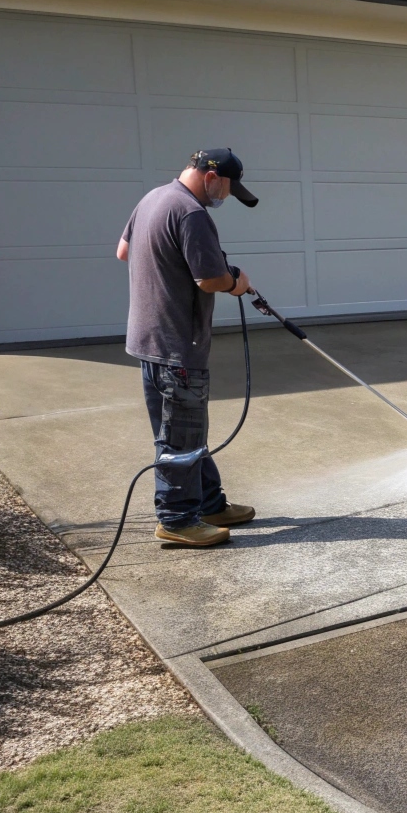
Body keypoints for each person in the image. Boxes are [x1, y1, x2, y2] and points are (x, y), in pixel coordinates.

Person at [116, 149, 258, 547]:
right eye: (228, 188)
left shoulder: (153, 199)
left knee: (186, 428)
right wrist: (238, 282)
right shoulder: (192, 213)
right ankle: (177, 520)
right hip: (177, 343)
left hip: (148, 338)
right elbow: (210, 279)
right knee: (179, 436)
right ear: (211, 176)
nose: (226, 197)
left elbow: (123, 251)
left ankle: (208, 503)